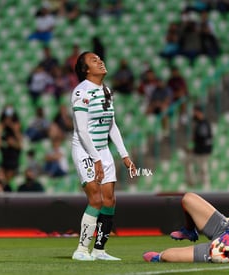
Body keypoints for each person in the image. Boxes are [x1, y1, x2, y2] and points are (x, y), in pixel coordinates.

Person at [70, 51, 136, 261]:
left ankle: (99, 250)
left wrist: (124, 155)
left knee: (109, 200)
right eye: (94, 60)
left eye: (100, 58)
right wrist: (96, 158)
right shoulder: (81, 92)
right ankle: (81, 250)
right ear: (85, 69)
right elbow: (81, 131)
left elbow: (111, 125)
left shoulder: (106, 90)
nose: (100, 61)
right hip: (85, 150)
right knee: (96, 199)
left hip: (103, 151)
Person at [185, 105, 212, 188]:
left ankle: (206, 186)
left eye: (195, 112)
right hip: (199, 150)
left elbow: (202, 138)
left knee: (203, 168)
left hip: (202, 151)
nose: (194, 114)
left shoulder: (203, 124)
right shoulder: (200, 124)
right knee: (188, 162)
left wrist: (193, 148)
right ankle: (193, 183)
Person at [0, 104, 23, 183]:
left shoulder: (16, 124)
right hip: (4, 154)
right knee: (1, 175)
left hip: (13, 155)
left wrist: (12, 126)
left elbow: (20, 144)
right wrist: (3, 126)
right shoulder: (1, 125)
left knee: (10, 175)